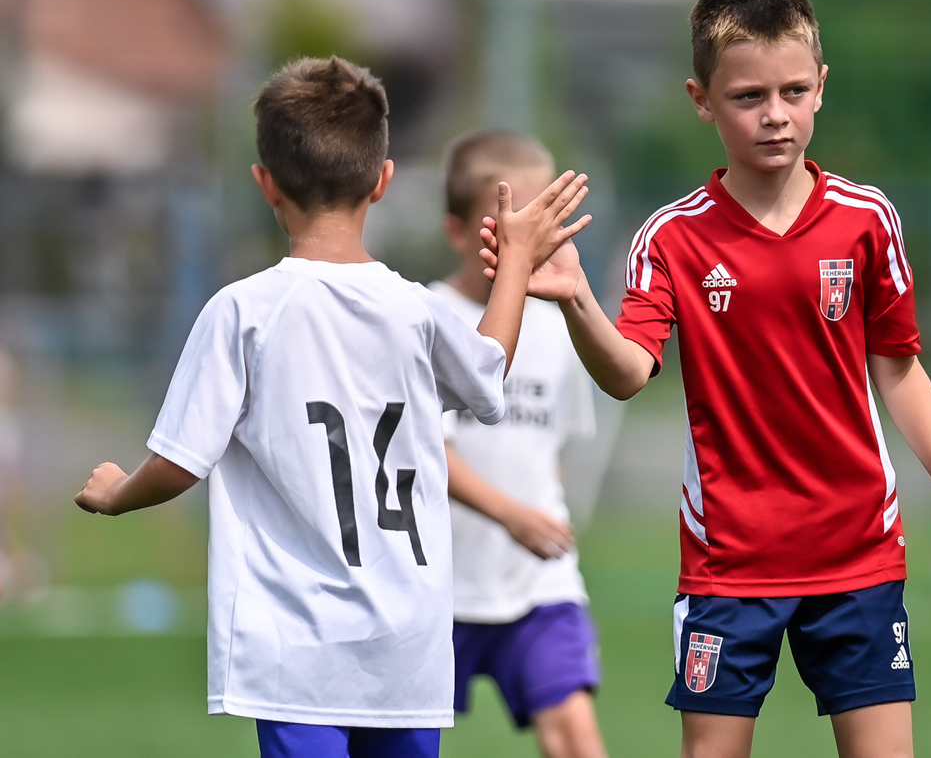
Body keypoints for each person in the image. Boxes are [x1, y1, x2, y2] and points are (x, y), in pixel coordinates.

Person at [480, 0, 931, 758]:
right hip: (729, 561)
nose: (774, 114)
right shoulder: (672, 238)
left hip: (857, 550)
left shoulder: (867, 220)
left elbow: (898, 368)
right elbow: (628, 372)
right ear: (702, 99)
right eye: (748, 96)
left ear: (821, 86)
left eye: (794, 91)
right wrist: (577, 298)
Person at [72, 57, 590, 758]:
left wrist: (116, 495)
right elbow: (487, 378)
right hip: (407, 643)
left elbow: (179, 464)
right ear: (382, 180)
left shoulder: (243, 313)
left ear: (265, 183)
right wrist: (518, 264)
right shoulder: (416, 310)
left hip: (296, 649)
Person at [431, 130, 607, 758]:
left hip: (538, 586)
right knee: (397, 744)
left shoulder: (559, 328)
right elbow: (429, 451)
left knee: (575, 734)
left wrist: (542, 513)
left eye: (543, 222)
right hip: (438, 587)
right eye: (511, 227)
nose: (529, 240)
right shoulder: (428, 317)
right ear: (458, 232)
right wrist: (512, 516)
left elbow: (547, 447)